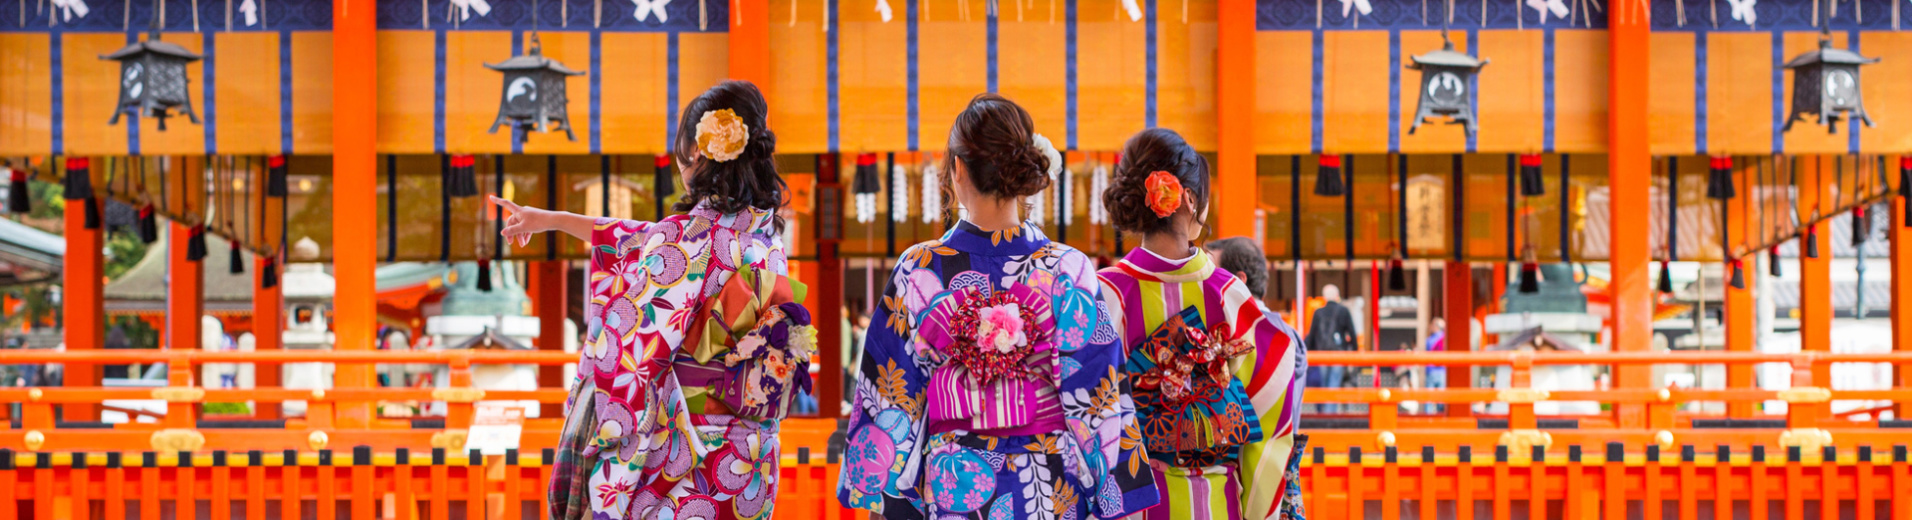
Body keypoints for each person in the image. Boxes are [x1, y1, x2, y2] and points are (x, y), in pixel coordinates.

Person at [837, 93, 1157, 520]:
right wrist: (1121, 502)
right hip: (1050, 489)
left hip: (956, 486)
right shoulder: (1067, 269)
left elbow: (890, 397)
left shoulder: (919, 269)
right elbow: (1099, 400)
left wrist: (878, 500)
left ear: (958, 170)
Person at [506, 80, 815, 520]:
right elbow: (639, 237)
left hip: (688, 455)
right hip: (752, 456)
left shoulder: (685, 238)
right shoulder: (767, 238)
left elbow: (630, 345)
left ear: (696, 154)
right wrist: (551, 220)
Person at [1095, 128, 1305, 520]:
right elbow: (1271, 422)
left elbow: (1083, 415)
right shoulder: (1231, 297)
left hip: (1128, 505)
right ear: (1189, 200)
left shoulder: (1102, 294)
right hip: (1215, 502)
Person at [1305, 284, 1356, 413]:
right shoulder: (1344, 311)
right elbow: (1352, 333)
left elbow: (1312, 335)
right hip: (1338, 354)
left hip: (1321, 354)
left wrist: (1308, 355)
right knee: (1333, 385)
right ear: (1337, 295)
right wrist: (1354, 354)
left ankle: (1323, 414)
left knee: (1323, 386)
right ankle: (1330, 414)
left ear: (1324, 297)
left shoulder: (1318, 312)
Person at [1422, 317, 1447, 414]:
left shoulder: (1430, 340)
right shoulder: (1445, 338)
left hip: (1431, 370)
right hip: (1442, 371)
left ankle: (1428, 417)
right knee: (1441, 398)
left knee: (1429, 397)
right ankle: (1442, 415)